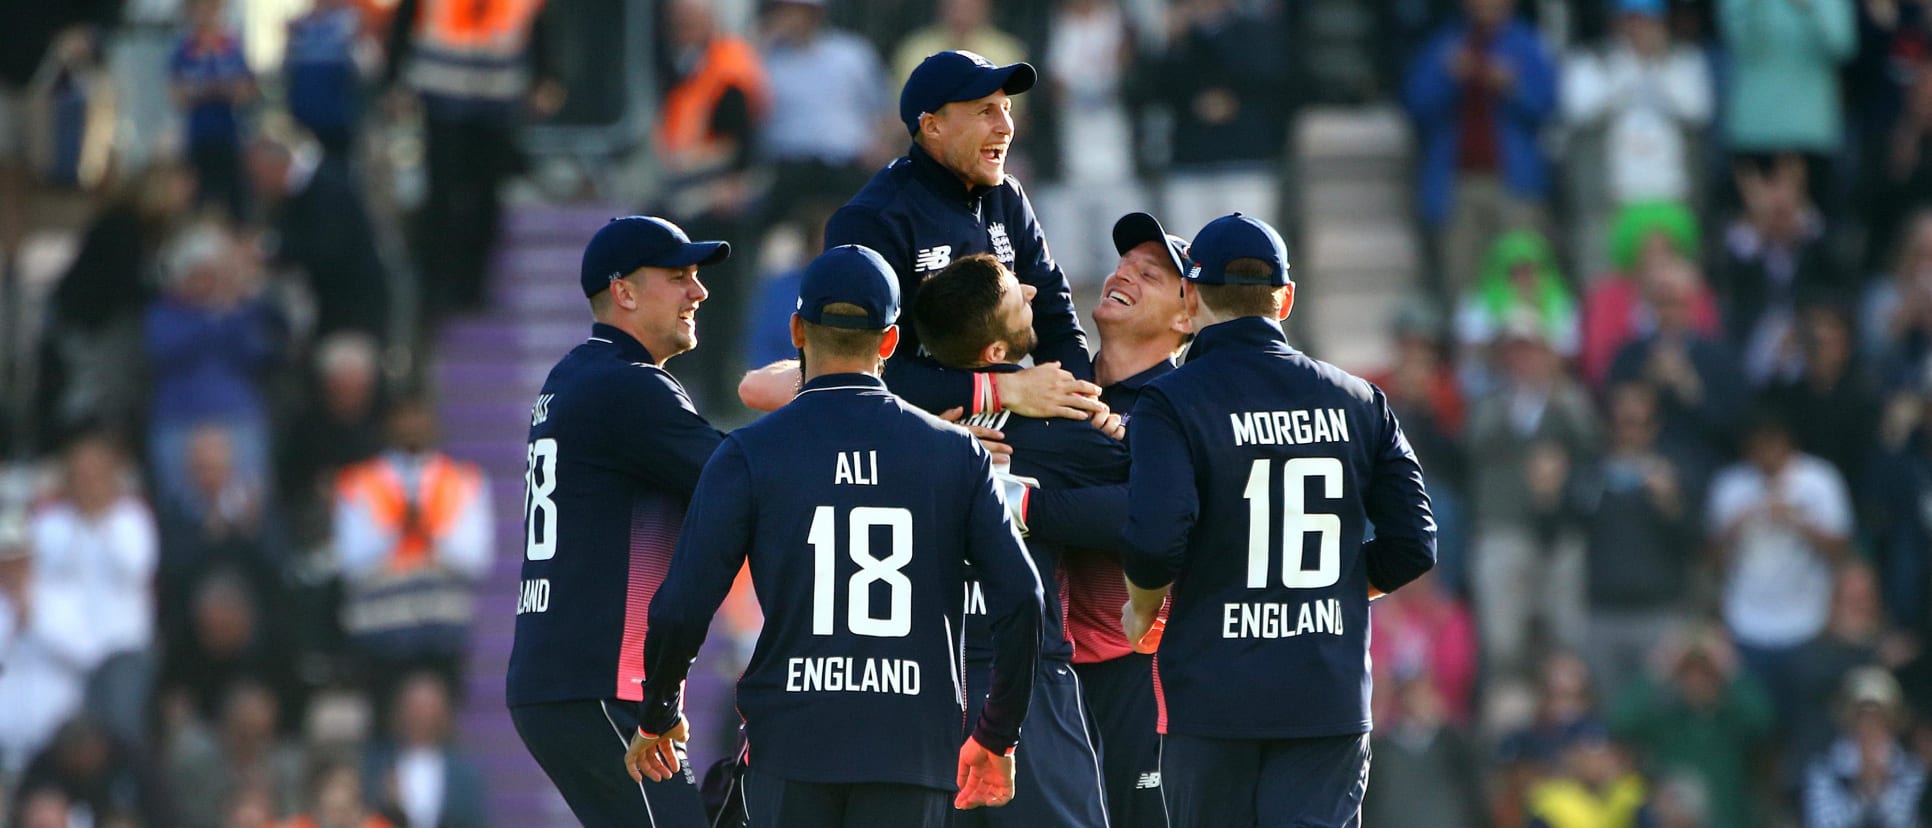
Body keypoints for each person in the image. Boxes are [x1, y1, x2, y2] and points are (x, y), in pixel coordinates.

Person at [626, 245, 1044, 826]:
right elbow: (1023, 598)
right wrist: (999, 734)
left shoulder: (750, 452)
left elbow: (679, 608)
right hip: (912, 747)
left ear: (797, 330)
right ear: (891, 342)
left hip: (792, 744)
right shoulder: (956, 453)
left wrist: (659, 712)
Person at [1121, 213, 1438, 826]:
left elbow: (1157, 541)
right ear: (1286, 298)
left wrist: (1141, 609)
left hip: (1213, 695)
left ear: (1190, 294)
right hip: (1327, 693)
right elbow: (1414, 544)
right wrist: (1334, 587)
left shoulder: (1172, 401)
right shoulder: (1359, 398)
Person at [505, 216, 729, 826]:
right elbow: (740, 480)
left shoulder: (581, 374)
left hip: (571, 678)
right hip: (597, 680)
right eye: (679, 276)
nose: (698, 292)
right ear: (624, 292)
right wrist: (826, 402)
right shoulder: (629, 386)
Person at [910, 253, 1127, 828]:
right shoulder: (1060, 422)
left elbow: (767, 387)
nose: (1032, 292)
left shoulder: (897, 422)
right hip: (1027, 676)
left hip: (918, 682)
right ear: (996, 355)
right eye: (1015, 296)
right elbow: (1157, 514)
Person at [821, 49, 1103, 422]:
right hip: (909, 432)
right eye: (985, 111)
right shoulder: (872, 220)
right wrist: (993, 396)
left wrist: (1082, 404)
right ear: (932, 125)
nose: (1005, 126)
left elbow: (1055, 316)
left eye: (1006, 108)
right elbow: (855, 369)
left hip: (1000, 416)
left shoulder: (1008, 196)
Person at [1056, 212, 1193, 827]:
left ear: (1185, 317)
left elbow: (1145, 515)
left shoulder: (1187, 407)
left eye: (1150, 275)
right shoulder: (1051, 385)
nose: (1123, 276)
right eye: (1123, 265)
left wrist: (1024, 503)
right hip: (1045, 671)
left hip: (1141, 669)